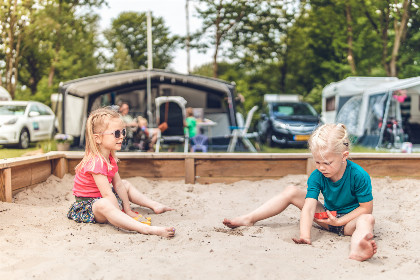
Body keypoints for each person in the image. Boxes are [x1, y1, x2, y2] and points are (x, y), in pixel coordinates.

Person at [223, 123, 377, 261]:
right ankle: (249, 218)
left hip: (349, 223)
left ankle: (358, 248)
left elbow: (365, 208)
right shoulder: (317, 175)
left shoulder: (358, 175)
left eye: (327, 163)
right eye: (317, 162)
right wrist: (305, 236)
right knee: (291, 191)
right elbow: (309, 207)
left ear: (344, 156)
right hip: (326, 218)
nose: (321, 167)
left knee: (367, 219)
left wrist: (339, 222)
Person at [67, 107, 175, 238]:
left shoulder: (110, 158)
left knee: (125, 184)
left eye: (123, 132)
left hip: (102, 198)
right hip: (88, 206)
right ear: (98, 138)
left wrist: (128, 210)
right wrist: (121, 214)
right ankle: (145, 229)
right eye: (116, 133)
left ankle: (155, 205)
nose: (122, 136)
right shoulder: (96, 162)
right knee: (104, 204)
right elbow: (107, 194)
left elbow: (118, 185)